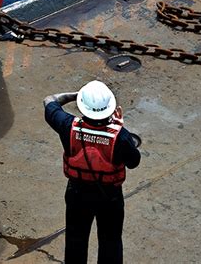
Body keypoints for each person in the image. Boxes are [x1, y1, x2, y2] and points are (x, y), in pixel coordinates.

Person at [43, 80, 141, 264]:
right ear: (110, 108)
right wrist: (119, 128)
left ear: (82, 107)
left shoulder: (67, 126)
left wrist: (75, 95)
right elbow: (133, 162)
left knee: (75, 240)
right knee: (110, 242)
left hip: (77, 194)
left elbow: (50, 101)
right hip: (109, 198)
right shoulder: (120, 136)